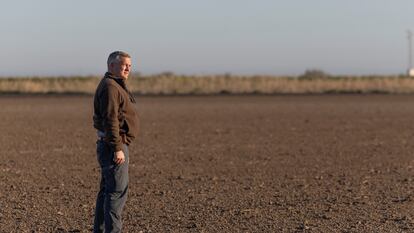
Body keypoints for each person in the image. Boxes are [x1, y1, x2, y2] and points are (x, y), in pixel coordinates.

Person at [92, 51, 139, 233]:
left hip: (111, 144)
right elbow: (111, 119)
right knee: (116, 193)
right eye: (123, 65)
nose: (127, 68)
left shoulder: (115, 85)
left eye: (129, 65)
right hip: (113, 146)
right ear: (111, 66)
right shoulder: (111, 87)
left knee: (107, 192)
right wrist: (117, 148)